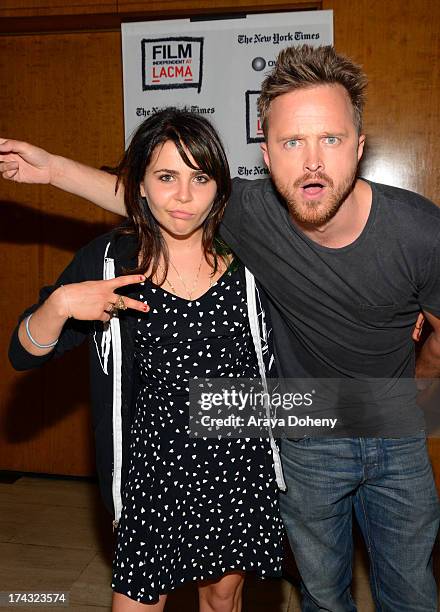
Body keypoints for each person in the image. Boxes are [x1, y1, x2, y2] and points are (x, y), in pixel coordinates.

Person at [1, 44, 439, 611]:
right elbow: (158, 197)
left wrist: (416, 393)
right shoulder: (206, 231)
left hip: (347, 431)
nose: (311, 161)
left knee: (409, 590)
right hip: (254, 443)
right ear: (267, 152)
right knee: (323, 594)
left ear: (358, 146)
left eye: (329, 139)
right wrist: (54, 177)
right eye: (292, 142)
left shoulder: (409, 231)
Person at [5, 108, 286, 612]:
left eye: (199, 178)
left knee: (224, 598)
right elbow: (21, 354)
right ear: (139, 185)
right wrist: (61, 305)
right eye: (165, 177)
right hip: (152, 470)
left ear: (219, 186)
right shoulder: (112, 260)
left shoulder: (250, 262)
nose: (183, 196)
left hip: (238, 462)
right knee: (136, 602)